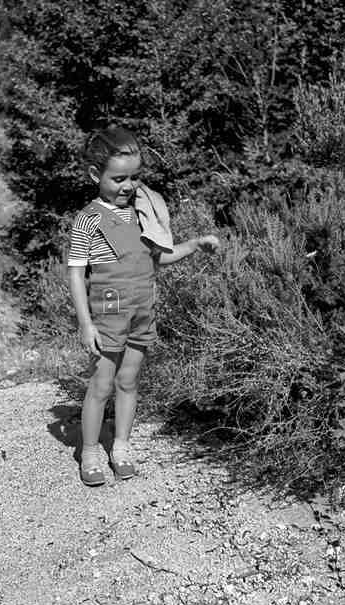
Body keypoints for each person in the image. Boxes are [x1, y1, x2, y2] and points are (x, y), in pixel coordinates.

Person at [67, 126, 220, 486]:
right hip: (108, 313)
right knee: (101, 384)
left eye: (134, 177)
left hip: (142, 310)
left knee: (128, 380)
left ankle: (120, 447)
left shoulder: (141, 213)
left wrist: (194, 245)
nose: (129, 185)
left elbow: (157, 259)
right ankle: (90, 451)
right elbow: (75, 274)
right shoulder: (88, 219)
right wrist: (86, 324)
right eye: (119, 178)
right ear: (96, 175)